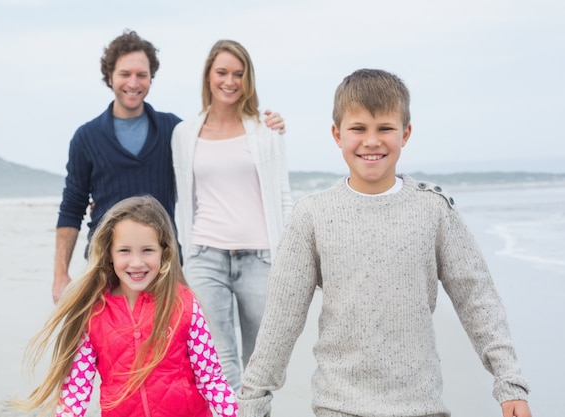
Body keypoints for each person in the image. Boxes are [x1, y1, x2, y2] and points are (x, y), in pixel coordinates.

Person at [236, 69, 532, 417]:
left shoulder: (434, 210)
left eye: (385, 129)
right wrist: (251, 402)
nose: (371, 141)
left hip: (421, 407)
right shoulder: (311, 216)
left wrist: (509, 383)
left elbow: (478, 299)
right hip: (338, 406)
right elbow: (281, 319)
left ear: (405, 134)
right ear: (337, 134)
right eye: (358, 128)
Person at [53, 30, 285, 304]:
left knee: (168, 346)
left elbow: (214, 172)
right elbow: (72, 207)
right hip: (105, 266)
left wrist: (265, 124)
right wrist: (60, 274)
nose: (133, 83)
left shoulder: (175, 131)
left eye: (142, 75)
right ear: (110, 76)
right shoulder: (86, 137)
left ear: (151, 78)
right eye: (125, 74)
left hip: (162, 267)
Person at [15, 195, 237, 417]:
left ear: (164, 253)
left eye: (147, 250)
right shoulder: (94, 314)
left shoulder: (184, 304)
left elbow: (211, 379)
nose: (137, 262)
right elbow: (76, 390)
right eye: (125, 251)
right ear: (109, 254)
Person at [171, 39, 293, 391]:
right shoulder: (184, 134)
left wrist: (285, 254)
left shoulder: (266, 130)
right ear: (208, 76)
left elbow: (282, 194)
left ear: (247, 80)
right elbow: (183, 196)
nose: (230, 81)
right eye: (222, 72)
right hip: (205, 256)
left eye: (238, 74)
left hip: (260, 258)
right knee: (219, 363)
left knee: (260, 362)